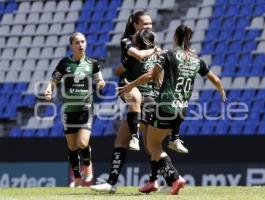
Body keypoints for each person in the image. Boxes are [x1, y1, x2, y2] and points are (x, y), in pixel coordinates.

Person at [118, 24, 227, 195]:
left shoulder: (168, 54)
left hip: (164, 107)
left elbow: (150, 75)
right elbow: (214, 79)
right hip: (182, 111)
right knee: (154, 140)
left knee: (152, 146)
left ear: (175, 37)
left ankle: (176, 179)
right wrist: (221, 91)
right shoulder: (196, 59)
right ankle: (152, 181)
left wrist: (129, 85)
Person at [90, 11, 163, 193]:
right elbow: (137, 57)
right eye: (144, 24)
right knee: (122, 141)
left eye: (150, 24)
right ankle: (112, 183)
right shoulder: (128, 41)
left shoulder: (153, 45)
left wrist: (119, 69)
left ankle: (168, 178)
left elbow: (147, 69)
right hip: (137, 94)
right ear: (135, 25)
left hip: (150, 97)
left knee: (150, 146)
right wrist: (155, 51)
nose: (148, 27)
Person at [44, 32, 106, 187]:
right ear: (72, 45)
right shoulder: (64, 63)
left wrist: (101, 84)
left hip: (86, 108)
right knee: (72, 147)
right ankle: (77, 177)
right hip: (69, 110)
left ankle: (88, 166)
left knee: (83, 143)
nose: (81, 45)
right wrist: (48, 90)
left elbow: (100, 79)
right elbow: (53, 81)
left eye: (83, 41)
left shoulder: (93, 63)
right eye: (77, 42)